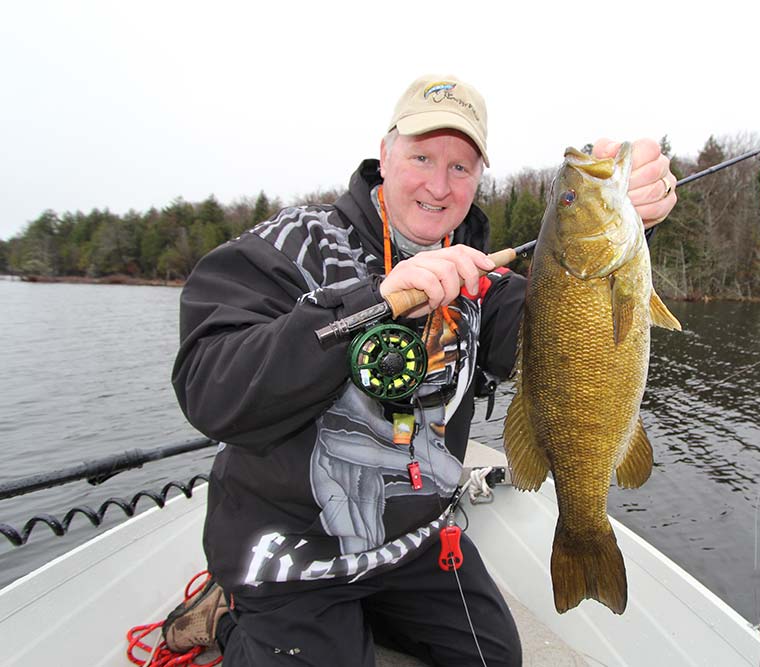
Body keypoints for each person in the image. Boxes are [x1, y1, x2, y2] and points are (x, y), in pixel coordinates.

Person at [164, 74, 678, 666]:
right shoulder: (287, 247)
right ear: (384, 155)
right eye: (422, 156)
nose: (439, 184)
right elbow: (210, 391)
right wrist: (369, 302)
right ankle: (231, 621)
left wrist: (632, 217)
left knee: (495, 659)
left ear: (480, 179)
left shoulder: (483, 282)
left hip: (412, 547)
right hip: (291, 553)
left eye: (461, 167)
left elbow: (571, 331)